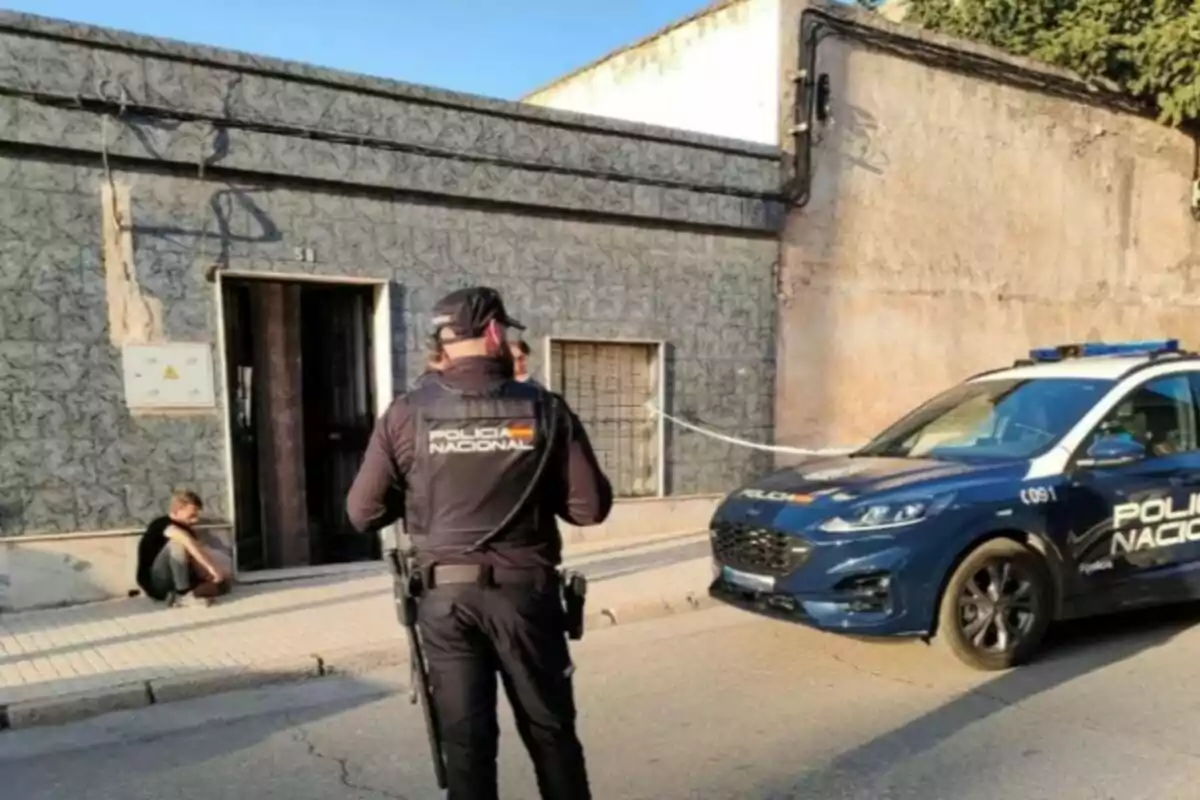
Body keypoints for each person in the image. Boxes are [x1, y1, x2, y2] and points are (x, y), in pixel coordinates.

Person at [346, 286, 613, 800]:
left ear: (443, 339)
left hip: (444, 600)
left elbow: (362, 513)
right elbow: (589, 509)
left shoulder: (404, 414)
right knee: (551, 733)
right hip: (525, 598)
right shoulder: (547, 410)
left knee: (466, 746)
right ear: (494, 331)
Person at [135, 490, 232, 608]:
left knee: (224, 585)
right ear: (177, 511)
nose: (195, 520)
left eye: (196, 515)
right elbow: (188, 543)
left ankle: (180, 596)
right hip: (157, 581)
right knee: (178, 543)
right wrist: (213, 569)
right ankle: (183, 594)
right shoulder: (163, 524)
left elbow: (195, 554)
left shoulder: (187, 528)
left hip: (178, 577)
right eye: (191, 516)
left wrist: (211, 575)